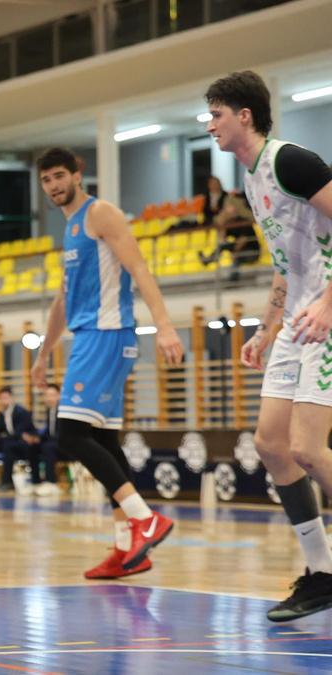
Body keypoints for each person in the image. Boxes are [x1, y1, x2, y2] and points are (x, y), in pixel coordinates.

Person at [206, 71, 332, 621]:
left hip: (327, 314)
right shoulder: (251, 181)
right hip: (297, 319)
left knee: (307, 448)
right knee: (271, 446)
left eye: (215, 115)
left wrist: (328, 303)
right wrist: (266, 326)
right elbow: (287, 263)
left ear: (244, 117)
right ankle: (322, 572)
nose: (210, 125)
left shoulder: (291, 162)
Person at [31, 146, 185, 581]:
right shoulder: (71, 229)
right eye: (46, 180)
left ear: (77, 174)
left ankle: (144, 519)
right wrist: (43, 354)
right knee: (106, 444)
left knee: (70, 436)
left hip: (107, 334)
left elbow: (140, 269)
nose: (54, 185)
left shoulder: (101, 214)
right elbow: (63, 301)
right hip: (90, 336)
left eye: (60, 176)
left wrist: (165, 326)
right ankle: (125, 550)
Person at [0, 386, 37, 493]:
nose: (4, 401)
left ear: (12, 398)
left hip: (24, 443)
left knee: (8, 446)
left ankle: (6, 482)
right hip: (10, 441)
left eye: (6, 398)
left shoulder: (21, 412)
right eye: (2, 398)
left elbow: (18, 433)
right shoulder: (2, 414)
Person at [25, 383, 61, 497]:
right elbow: (49, 432)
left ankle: (51, 483)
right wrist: (37, 439)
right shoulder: (49, 411)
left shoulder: (63, 411)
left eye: (53, 395)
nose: (50, 398)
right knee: (32, 446)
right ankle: (35, 482)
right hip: (52, 443)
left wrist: (45, 441)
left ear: (59, 396)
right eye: (47, 395)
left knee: (48, 447)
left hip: (65, 445)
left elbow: (63, 434)